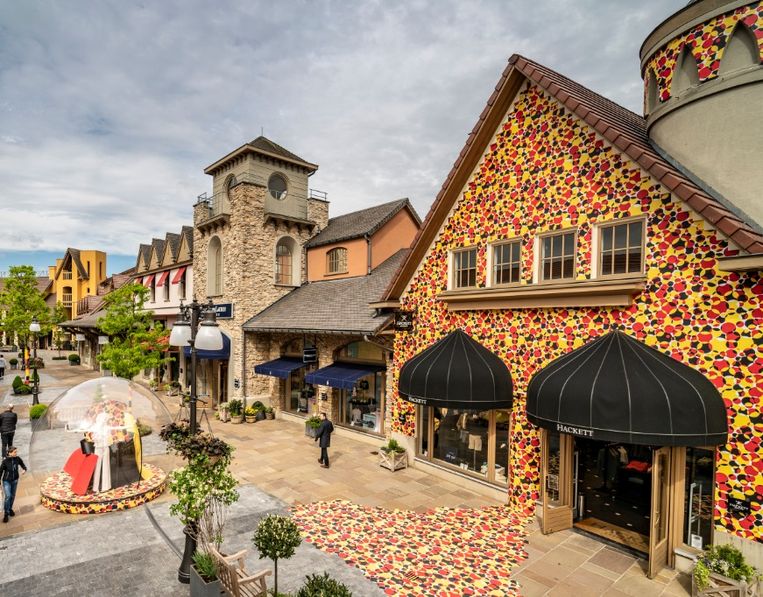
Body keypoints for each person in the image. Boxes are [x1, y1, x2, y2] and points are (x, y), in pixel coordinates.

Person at [1, 446, 27, 522]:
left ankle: (9, 509)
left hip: (15, 480)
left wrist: (24, 469)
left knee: (12, 496)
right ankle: (6, 514)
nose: (16, 453)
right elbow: (0, 472)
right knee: (8, 496)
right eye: (15, 452)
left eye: (16, 452)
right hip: (6, 481)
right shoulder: (5, 462)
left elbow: (23, 465)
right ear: (9, 453)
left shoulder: (17, 459)